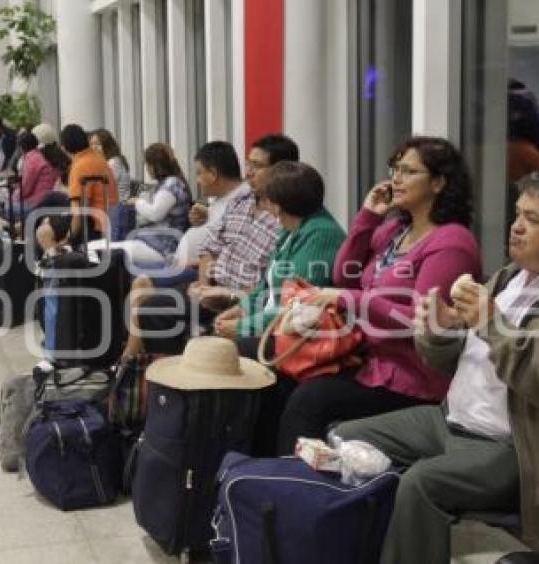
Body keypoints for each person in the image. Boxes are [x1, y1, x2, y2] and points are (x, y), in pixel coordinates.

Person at [334, 168, 539, 564]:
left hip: (528, 450)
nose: (515, 228)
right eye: (517, 215)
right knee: (346, 439)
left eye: (532, 220)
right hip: (453, 422)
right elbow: (450, 363)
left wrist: (492, 323)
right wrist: (440, 329)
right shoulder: (510, 278)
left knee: (421, 485)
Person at [275, 135, 481, 455]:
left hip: (411, 379)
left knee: (310, 401)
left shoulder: (451, 242)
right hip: (368, 361)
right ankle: (260, 482)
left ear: (439, 183)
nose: (396, 178)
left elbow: (420, 318)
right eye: (395, 169)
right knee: (281, 379)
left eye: (409, 171)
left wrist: (349, 299)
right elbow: (345, 274)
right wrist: (368, 217)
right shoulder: (395, 230)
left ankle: (297, 493)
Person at [213, 161, 347, 455]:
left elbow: (297, 308)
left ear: (280, 203)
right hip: (278, 326)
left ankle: (244, 450)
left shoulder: (321, 235)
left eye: (266, 199)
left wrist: (244, 327)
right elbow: (267, 288)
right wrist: (243, 309)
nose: (264, 206)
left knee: (226, 354)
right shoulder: (290, 231)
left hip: (300, 335)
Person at [130, 141, 279, 357]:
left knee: (145, 290)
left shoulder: (275, 216)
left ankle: (138, 367)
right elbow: (210, 246)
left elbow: (267, 283)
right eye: (248, 165)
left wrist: (225, 294)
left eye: (256, 166)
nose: (248, 173)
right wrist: (205, 285)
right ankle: (144, 369)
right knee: (147, 296)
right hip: (209, 279)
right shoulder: (240, 204)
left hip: (233, 292)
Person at [60, 124, 117, 245]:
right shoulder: (99, 159)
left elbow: (78, 211)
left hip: (93, 224)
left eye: (98, 143)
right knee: (52, 198)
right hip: (109, 218)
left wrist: (68, 238)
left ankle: (51, 259)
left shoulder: (80, 166)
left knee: (43, 232)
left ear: (64, 147)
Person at [89, 128, 132, 201]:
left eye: (98, 144)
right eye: (92, 144)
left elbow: (101, 189)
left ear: (107, 145)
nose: (94, 148)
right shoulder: (104, 162)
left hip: (116, 207)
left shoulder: (113, 163)